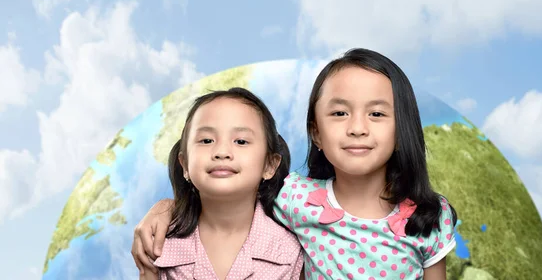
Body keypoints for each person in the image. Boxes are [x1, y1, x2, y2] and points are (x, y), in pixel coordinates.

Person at [133, 48, 458, 280]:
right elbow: (230, 193)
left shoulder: (430, 216)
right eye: (339, 113)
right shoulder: (297, 198)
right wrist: (166, 208)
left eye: (376, 113)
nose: (357, 127)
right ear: (315, 132)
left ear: (402, 131)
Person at [138, 87, 304, 280]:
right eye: (206, 140)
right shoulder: (160, 243)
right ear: (184, 165)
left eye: (241, 141)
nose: (222, 151)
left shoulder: (291, 250)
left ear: (269, 165)